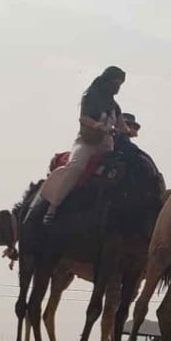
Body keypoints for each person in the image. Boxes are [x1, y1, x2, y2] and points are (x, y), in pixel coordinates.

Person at [40, 66, 127, 224]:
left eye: (120, 84)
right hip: (87, 142)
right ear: (107, 81)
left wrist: (128, 131)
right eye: (116, 83)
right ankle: (53, 207)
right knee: (76, 166)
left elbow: (122, 125)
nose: (118, 87)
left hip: (107, 145)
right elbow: (83, 119)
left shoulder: (115, 106)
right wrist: (98, 126)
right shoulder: (90, 97)